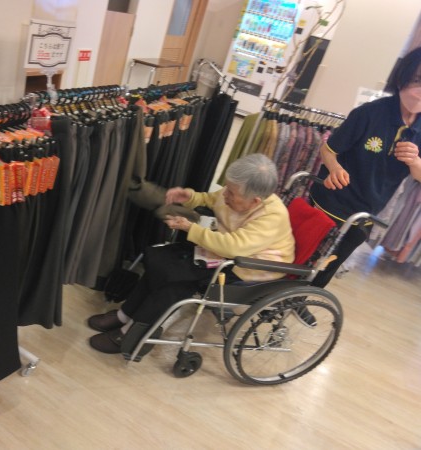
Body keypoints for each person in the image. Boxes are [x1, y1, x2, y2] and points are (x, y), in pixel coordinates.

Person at [87, 154, 295, 354]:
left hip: (250, 270)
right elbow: (213, 199)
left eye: (231, 193)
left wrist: (190, 228)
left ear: (255, 201)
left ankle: (133, 334)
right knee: (161, 260)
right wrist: (191, 197)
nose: (225, 194)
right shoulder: (238, 193)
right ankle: (125, 315)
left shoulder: (271, 217)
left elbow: (233, 247)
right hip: (225, 254)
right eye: (226, 188)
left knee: (175, 281)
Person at [309, 47, 421, 288]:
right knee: (305, 255)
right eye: (417, 80)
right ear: (402, 78)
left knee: (330, 264)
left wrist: (415, 162)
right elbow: (328, 150)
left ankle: (303, 298)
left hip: (366, 213)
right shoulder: (369, 113)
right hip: (330, 201)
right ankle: (279, 292)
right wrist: (335, 168)